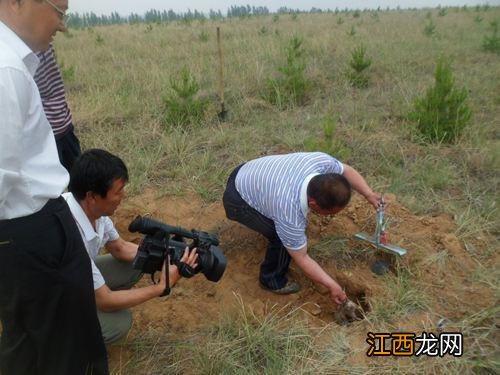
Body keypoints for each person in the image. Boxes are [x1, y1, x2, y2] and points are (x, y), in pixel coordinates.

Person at [0, 1, 108, 374]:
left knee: (28, 343)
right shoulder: (6, 68)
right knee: (68, 348)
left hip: (26, 234)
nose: (61, 26)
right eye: (57, 11)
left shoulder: (15, 62)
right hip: (32, 235)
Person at [64, 149, 198, 344]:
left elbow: (119, 248)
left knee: (140, 262)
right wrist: (161, 286)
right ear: (92, 196)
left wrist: (170, 257)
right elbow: (106, 300)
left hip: (73, 280)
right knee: (119, 322)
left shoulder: (93, 212)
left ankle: (84, 308)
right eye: (118, 191)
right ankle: (62, 340)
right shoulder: (70, 235)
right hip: (49, 300)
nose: (123, 196)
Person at [222, 152, 380, 305]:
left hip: (246, 171)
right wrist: (332, 285)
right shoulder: (290, 214)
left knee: (284, 229)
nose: (332, 216)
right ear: (313, 204)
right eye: (330, 213)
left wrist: (369, 194)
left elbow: (345, 170)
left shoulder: (320, 161)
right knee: (280, 238)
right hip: (237, 200)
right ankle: (271, 279)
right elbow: (302, 258)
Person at [34, 44, 81, 172]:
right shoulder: (22, 55)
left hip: (64, 123)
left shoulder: (46, 45)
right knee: (54, 182)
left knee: (78, 177)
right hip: (48, 132)